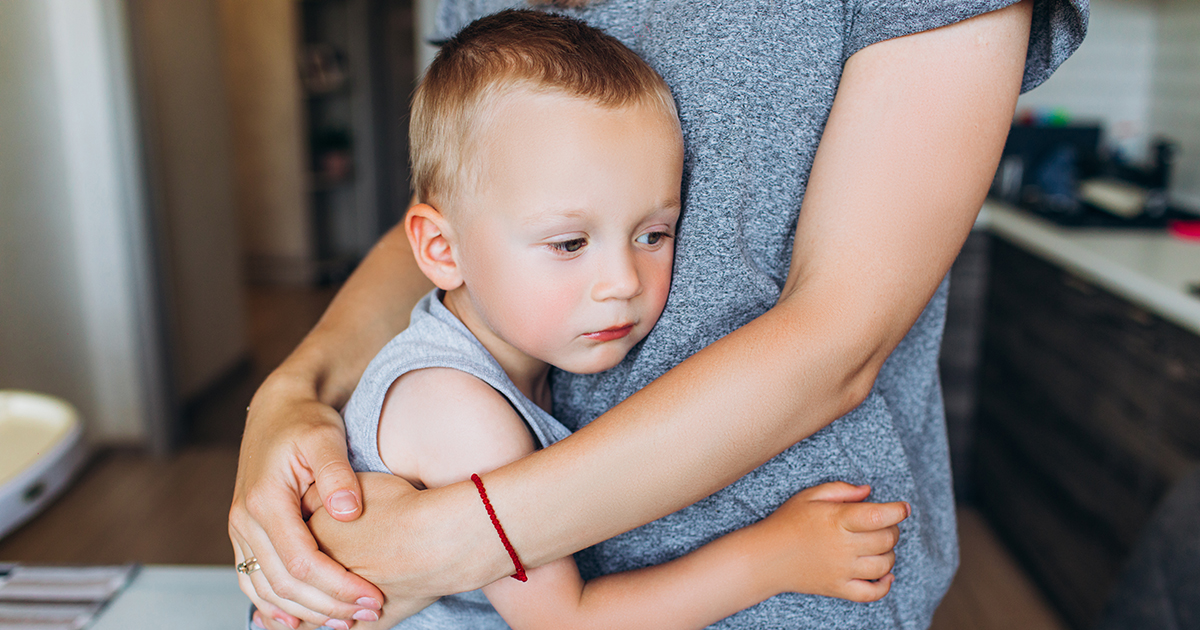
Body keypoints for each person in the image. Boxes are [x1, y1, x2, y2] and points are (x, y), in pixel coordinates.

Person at [229, 1, 1088, 629]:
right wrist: (287, 393)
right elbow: (467, 197)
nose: (622, 285)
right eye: (570, 243)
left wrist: (443, 544)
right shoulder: (456, 409)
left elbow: (841, 334)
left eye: (655, 233)